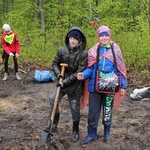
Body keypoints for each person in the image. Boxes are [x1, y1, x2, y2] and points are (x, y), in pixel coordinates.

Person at [77, 25, 127, 146]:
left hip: (110, 87)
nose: (104, 38)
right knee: (93, 112)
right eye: (101, 35)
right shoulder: (93, 50)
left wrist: (123, 86)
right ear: (98, 37)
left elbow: (120, 69)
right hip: (94, 88)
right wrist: (83, 75)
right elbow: (90, 68)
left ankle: (107, 134)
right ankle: (91, 134)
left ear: (109, 36)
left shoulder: (116, 50)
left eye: (106, 35)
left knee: (107, 110)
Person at [49, 26, 88, 142]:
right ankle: (54, 122)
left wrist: (64, 82)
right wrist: (58, 75)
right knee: (53, 100)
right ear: (68, 38)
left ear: (79, 40)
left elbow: (79, 73)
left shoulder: (83, 54)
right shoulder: (62, 50)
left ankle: (75, 130)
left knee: (74, 108)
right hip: (61, 81)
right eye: (71, 38)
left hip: (75, 86)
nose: (73, 41)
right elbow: (55, 63)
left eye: (75, 39)